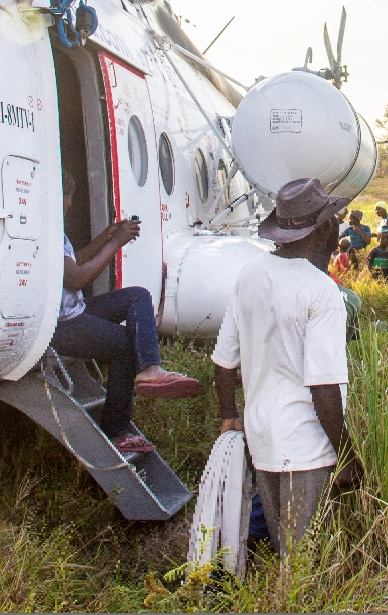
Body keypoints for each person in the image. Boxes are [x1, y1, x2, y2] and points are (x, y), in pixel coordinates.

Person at [213, 178, 362, 558]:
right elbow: (324, 387)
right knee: (306, 563)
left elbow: (224, 360)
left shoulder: (249, 275)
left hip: (262, 439)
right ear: (324, 229)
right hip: (306, 447)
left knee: (285, 551)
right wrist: (346, 453)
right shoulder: (321, 290)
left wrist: (230, 414)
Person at [56, 183, 200, 456]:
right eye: (67, 195)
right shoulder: (47, 229)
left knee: (137, 297)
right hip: (59, 324)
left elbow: (71, 264)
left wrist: (103, 237)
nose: (69, 204)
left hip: (72, 310)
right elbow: (77, 279)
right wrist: (115, 243)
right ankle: (116, 429)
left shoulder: (52, 227)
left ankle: (150, 370)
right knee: (124, 344)